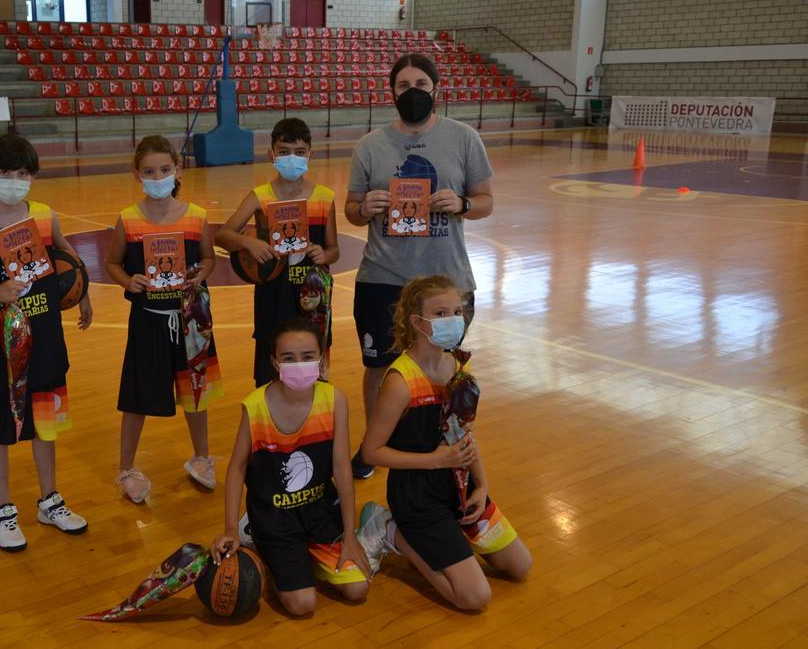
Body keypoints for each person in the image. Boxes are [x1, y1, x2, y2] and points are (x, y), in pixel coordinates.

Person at [345, 52, 495, 479]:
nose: (413, 92)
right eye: (404, 85)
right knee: (378, 369)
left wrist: (463, 203)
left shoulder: (463, 138)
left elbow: (485, 201)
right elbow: (351, 210)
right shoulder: (370, 145)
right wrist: (365, 207)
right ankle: (376, 445)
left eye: (421, 85)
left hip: (446, 282)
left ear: (436, 88)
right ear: (391, 92)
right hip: (383, 278)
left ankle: (443, 442)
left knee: (443, 368)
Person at [0, 133, 91, 552]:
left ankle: (50, 499)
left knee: (45, 421)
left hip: (45, 337)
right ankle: (3, 509)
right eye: (5, 173)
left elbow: (69, 260)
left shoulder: (44, 216)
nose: (14, 180)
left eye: (22, 173)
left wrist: (84, 296)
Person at [357, 275, 531, 610]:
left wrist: (481, 485)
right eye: (440, 313)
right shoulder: (400, 381)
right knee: (474, 598)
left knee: (520, 566)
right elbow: (371, 451)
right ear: (417, 322)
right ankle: (392, 531)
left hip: (458, 486)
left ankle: (451, 537)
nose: (454, 319)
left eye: (457, 310)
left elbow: (463, 433)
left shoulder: (456, 366)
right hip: (418, 496)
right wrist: (435, 460)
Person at [211, 317, 371, 616]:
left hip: (319, 512)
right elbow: (237, 468)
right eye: (289, 358)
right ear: (275, 361)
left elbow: (342, 468)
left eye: (308, 356)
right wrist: (230, 528)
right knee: (302, 605)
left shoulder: (334, 400)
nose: (299, 363)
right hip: (275, 517)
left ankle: (314, 553)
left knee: (357, 589)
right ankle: (254, 537)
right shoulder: (256, 405)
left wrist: (350, 535)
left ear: (322, 359)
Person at [104, 135, 221, 503]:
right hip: (149, 320)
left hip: (190, 320)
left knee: (195, 392)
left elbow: (209, 259)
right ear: (137, 174)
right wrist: (129, 280)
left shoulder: (197, 216)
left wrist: (201, 273)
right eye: (150, 171)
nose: (158, 176)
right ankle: (126, 468)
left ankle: (202, 457)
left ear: (178, 169)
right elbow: (111, 263)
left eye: (165, 169)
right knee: (137, 396)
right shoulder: (128, 219)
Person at [214, 117, 340, 387]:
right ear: (271, 154)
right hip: (273, 292)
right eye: (283, 152)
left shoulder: (324, 197)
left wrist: (324, 255)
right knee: (270, 367)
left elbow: (334, 250)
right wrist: (249, 243)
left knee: (314, 365)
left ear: (310, 155)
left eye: (299, 152)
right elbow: (222, 235)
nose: (291, 158)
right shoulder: (260, 196)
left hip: (313, 295)